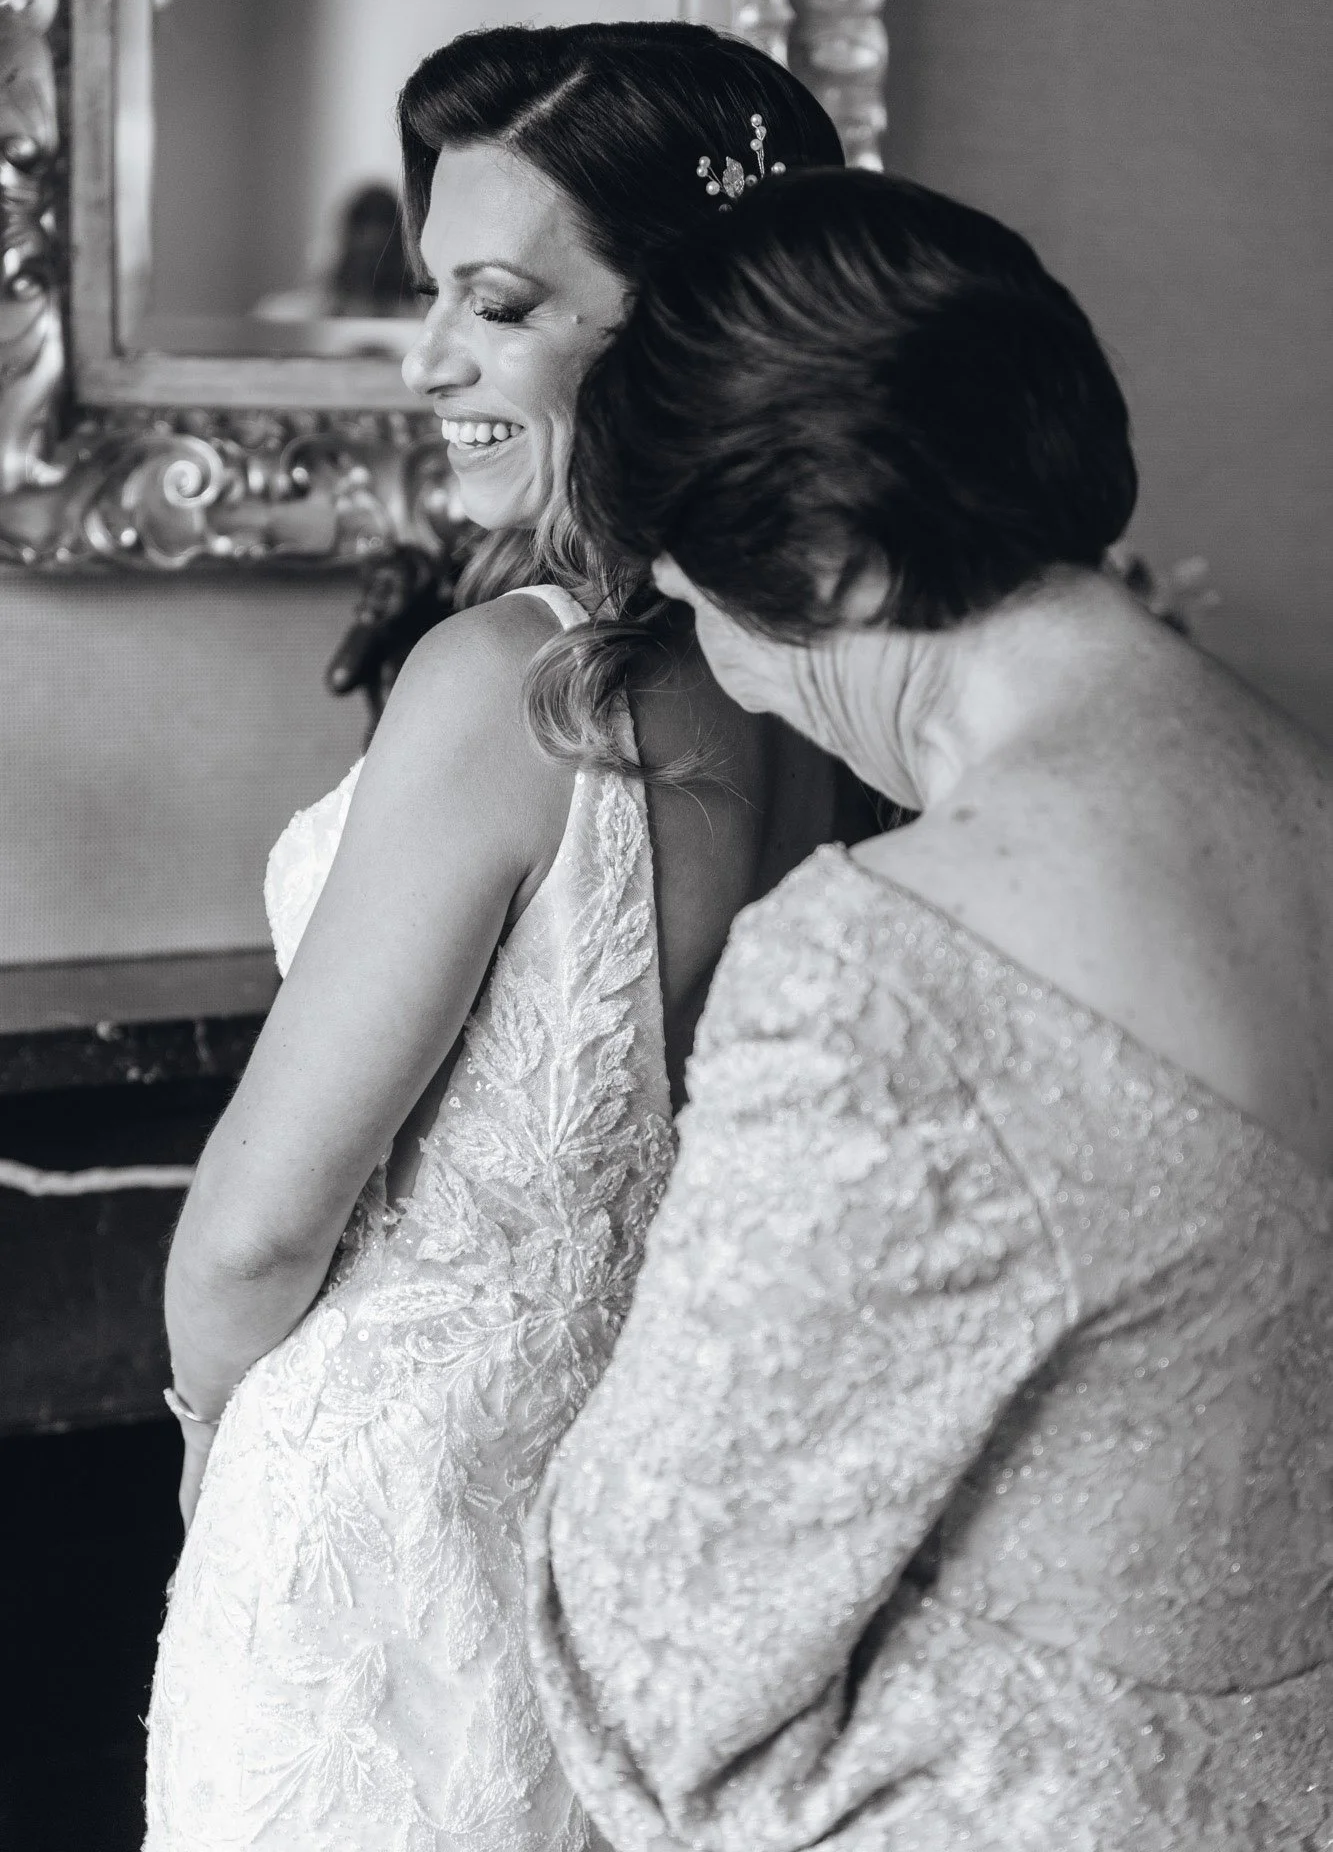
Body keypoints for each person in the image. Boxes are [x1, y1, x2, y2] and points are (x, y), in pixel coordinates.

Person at [526, 167, 1333, 1850]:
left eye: (695, 607)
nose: (733, 676)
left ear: (828, 552)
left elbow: (668, 1637)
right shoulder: (1304, 797)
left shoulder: (887, 972)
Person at [143, 25, 844, 1852]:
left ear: (678, 331)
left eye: (500, 303)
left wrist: (216, 1434)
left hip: (377, 1527)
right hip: (623, 1518)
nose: (428, 356)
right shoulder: (823, 688)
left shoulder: (504, 685)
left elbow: (258, 1225)